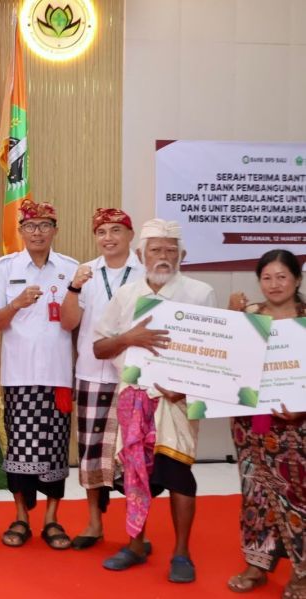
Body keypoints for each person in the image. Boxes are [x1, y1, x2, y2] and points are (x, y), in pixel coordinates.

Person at [93, 218, 216, 584]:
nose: (163, 257)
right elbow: (100, 347)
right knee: (135, 475)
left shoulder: (200, 292)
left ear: (182, 255)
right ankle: (136, 544)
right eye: (155, 250)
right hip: (134, 397)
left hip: (178, 400)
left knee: (179, 474)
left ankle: (181, 552)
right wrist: (131, 337)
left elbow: (214, 354)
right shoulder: (127, 295)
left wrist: (190, 388)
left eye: (169, 250)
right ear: (141, 255)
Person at [0, 199, 78, 551]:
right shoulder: (6, 267)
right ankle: (21, 517)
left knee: (54, 449)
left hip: (57, 376)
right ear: (20, 232)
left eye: (44, 226)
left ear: (55, 229)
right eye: (30, 227)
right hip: (19, 375)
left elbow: (77, 322)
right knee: (20, 450)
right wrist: (16, 304)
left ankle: (52, 519)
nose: (37, 232)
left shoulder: (70, 269)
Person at [59, 208, 144, 549]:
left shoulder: (144, 273)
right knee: (92, 451)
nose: (108, 238)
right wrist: (73, 287)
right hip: (92, 373)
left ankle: (138, 530)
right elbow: (67, 323)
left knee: (134, 453)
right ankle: (94, 523)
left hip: (134, 374)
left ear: (129, 235)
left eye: (115, 231)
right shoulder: (86, 273)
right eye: (102, 232)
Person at [226, 249, 305, 597]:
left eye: (282, 277)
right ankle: (256, 564)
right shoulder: (248, 316)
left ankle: (302, 572)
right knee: (254, 492)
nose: (274, 284)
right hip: (250, 425)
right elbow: (225, 362)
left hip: (297, 426)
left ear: (298, 280)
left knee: (298, 495)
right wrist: (229, 319)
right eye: (267, 278)